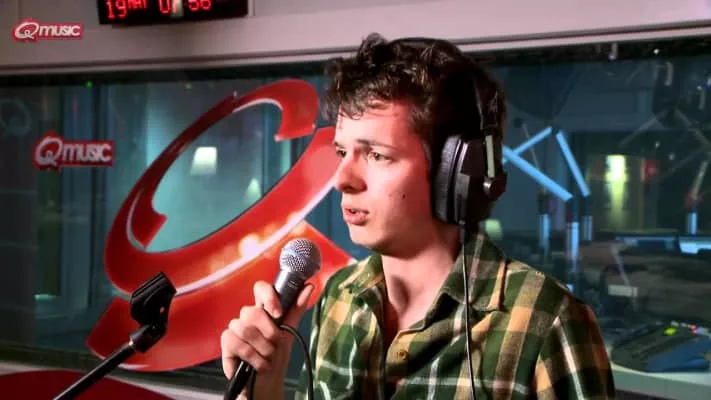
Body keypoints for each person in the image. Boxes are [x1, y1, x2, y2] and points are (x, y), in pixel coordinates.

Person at [220, 33, 616, 399]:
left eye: (377, 155)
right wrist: (264, 387)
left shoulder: (546, 320)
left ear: (455, 173)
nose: (342, 179)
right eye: (342, 152)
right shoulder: (339, 297)